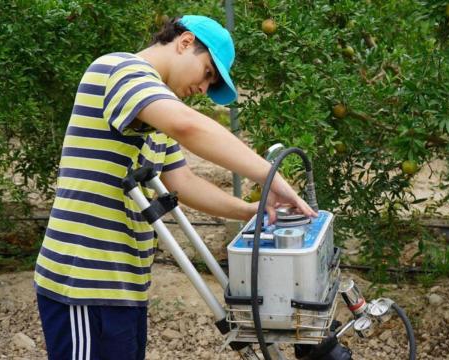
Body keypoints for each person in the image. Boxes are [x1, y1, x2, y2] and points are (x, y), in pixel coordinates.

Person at [34, 15, 316, 360]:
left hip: (125, 284)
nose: (203, 89)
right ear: (185, 42)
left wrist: (248, 210)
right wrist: (270, 177)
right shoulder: (119, 68)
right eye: (208, 74)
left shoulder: (154, 113)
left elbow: (183, 182)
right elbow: (187, 126)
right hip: (83, 280)